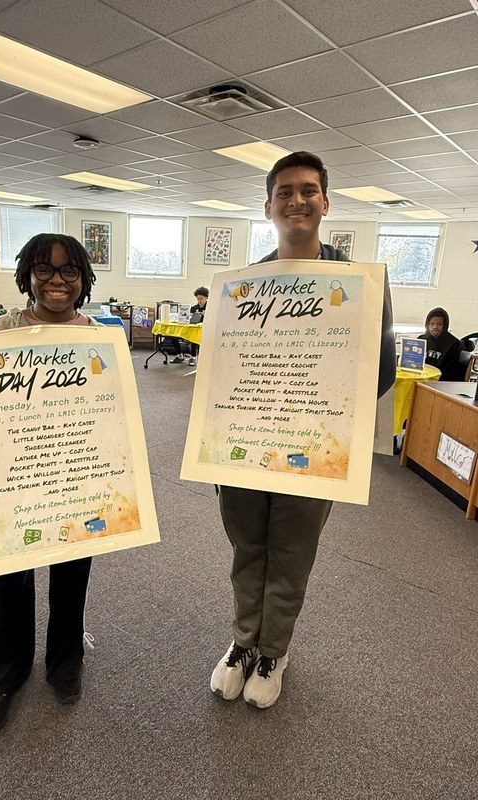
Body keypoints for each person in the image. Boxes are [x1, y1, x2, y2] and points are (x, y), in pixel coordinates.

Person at [210, 151, 396, 709]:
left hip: (313, 441)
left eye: (308, 190)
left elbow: (382, 369)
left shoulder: (359, 282)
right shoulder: (246, 285)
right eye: (285, 191)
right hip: (247, 440)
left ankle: (274, 650)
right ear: (268, 205)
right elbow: (223, 366)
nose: (297, 200)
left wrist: (321, 400)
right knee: (247, 543)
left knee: (290, 549)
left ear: (325, 203)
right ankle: (243, 641)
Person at [0, 233, 99, 731]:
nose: (57, 281)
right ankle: (3, 671)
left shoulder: (96, 336)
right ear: (26, 274)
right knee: (7, 575)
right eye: (44, 269)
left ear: (83, 279)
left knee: (72, 570)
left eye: (69, 271)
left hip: (73, 473)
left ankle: (65, 661)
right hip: (15, 473)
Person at [418, 307, 463, 381]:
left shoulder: (454, 344)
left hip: (441, 381)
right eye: (432, 324)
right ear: (427, 325)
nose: (435, 327)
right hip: (421, 378)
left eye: (439, 324)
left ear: (445, 326)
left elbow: (451, 372)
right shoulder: (421, 339)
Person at [170, 287, 209, 366]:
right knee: (172, 335)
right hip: (192, 328)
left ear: (206, 298)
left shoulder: (210, 308)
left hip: (204, 331)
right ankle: (179, 355)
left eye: (201, 298)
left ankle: (193, 357)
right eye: (198, 298)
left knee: (194, 336)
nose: (199, 301)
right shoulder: (193, 308)